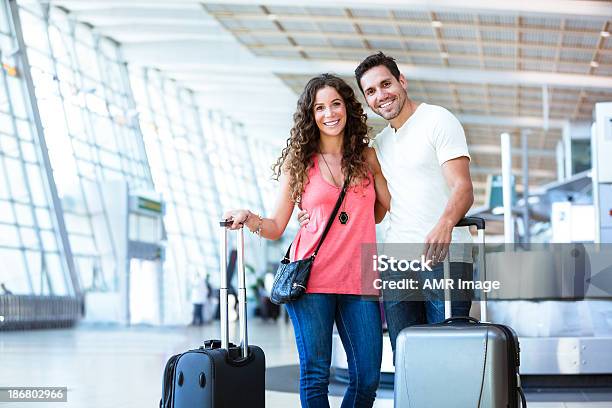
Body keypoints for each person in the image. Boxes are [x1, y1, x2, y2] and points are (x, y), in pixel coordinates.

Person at [223, 73, 389, 408]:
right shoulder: (299, 164)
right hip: (312, 280)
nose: (330, 113)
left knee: (367, 377)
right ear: (310, 116)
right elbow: (275, 225)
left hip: (360, 279)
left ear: (348, 108)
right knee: (315, 374)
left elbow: (379, 213)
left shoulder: (367, 159)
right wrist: (250, 218)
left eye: (336, 104)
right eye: (320, 108)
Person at [298, 52, 475, 357]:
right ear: (366, 100)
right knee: (406, 356)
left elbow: (463, 187)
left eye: (385, 84)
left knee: (446, 356)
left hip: (445, 260)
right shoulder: (380, 145)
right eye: (371, 91)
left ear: (401, 81)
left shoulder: (437, 120)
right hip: (397, 264)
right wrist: (311, 212)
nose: (381, 95)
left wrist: (445, 223)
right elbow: (368, 204)